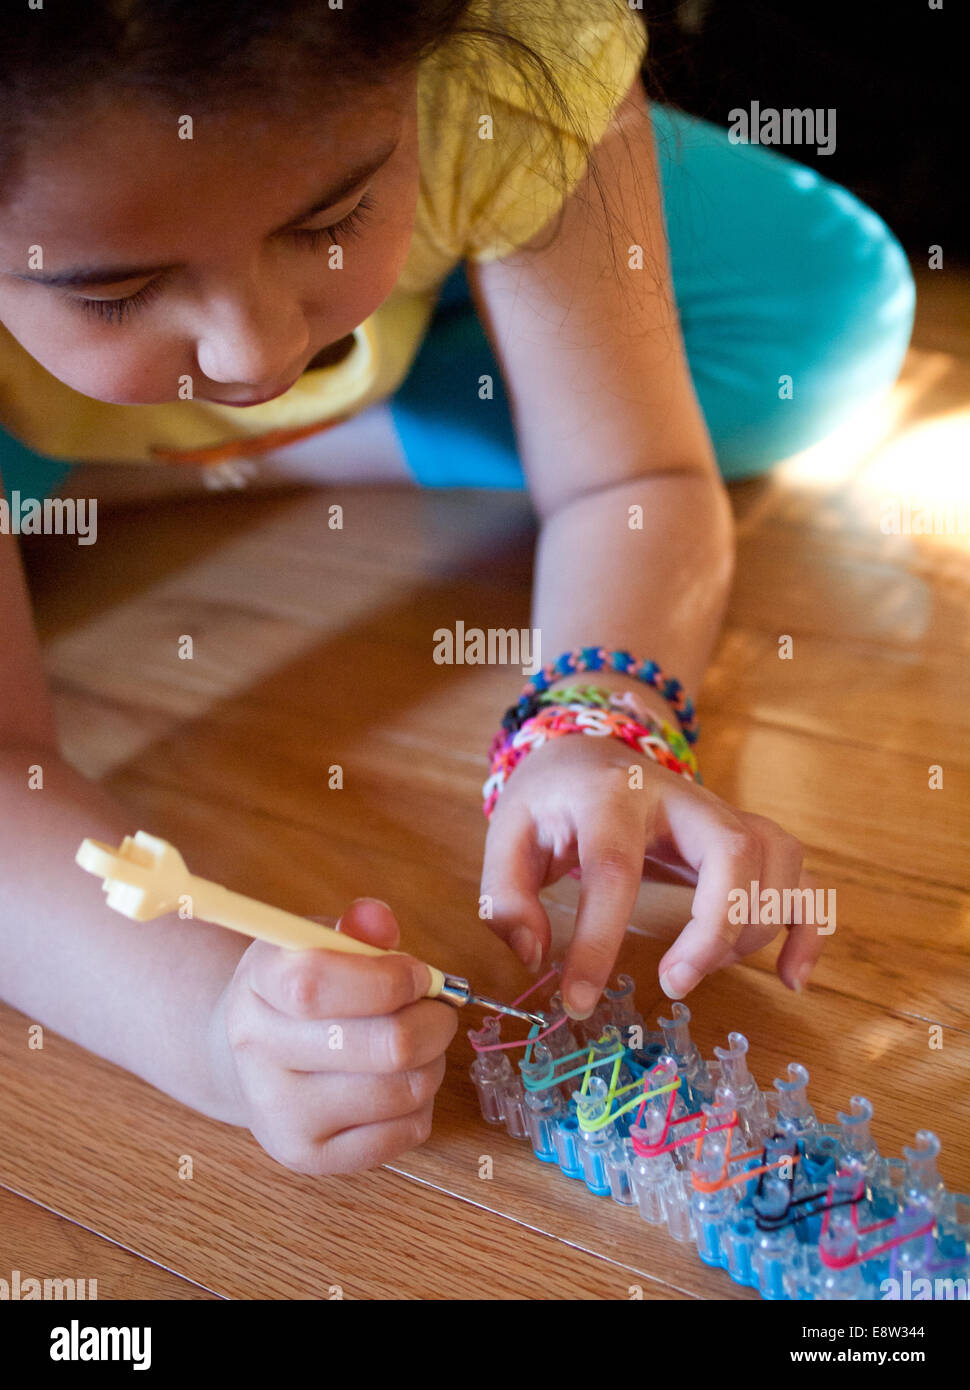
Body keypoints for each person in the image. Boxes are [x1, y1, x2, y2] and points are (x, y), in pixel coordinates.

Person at [0, 0, 915, 1175]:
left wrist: (597, 719)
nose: (254, 350)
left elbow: (633, 475)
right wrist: (213, 1028)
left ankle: (182, 456)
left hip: (443, 225)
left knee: (819, 317)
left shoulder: (509, 58)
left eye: (329, 218)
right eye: (114, 291)